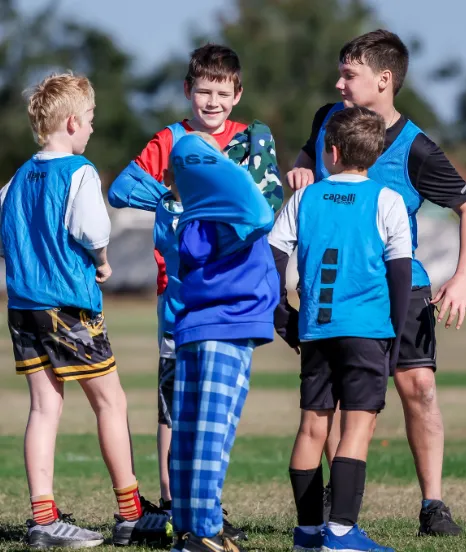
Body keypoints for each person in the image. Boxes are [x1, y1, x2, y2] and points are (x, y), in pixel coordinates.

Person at [285, 29, 466, 536]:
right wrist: (302, 169)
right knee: (329, 401)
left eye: (349, 74)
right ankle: (335, 507)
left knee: (417, 387)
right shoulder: (327, 119)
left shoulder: (416, 148)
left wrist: (462, 279)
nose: (339, 83)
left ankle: (433, 505)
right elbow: (307, 157)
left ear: (384, 79)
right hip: (332, 285)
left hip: (399, 286)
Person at [108, 43, 282, 541]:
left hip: (233, 289)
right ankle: (174, 505)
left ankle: (207, 508)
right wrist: (172, 198)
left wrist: (210, 205)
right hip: (179, 287)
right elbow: (122, 188)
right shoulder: (172, 139)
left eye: (222, 93)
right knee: (175, 397)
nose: (212, 101)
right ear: (188, 91)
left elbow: (263, 202)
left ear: (237, 94)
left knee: (215, 405)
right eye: (203, 91)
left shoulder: (253, 139)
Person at [0, 72, 164, 548]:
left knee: (43, 407)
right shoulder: (80, 171)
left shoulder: (16, 178)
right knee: (110, 401)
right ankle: (131, 514)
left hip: (23, 306)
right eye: (90, 119)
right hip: (69, 306)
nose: (92, 128)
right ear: (71, 122)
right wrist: (103, 262)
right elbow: (94, 231)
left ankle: (43, 518)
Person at [269, 106, 411, 552]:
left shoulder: (304, 198)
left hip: (317, 329)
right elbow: (400, 275)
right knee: (357, 427)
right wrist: (394, 335)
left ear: (329, 152)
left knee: (313, 424)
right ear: (376, 152)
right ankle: (344, 534)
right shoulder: (387, 200)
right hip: (367, 329)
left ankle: (308, 533)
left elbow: (272, 255)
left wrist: (281, 313)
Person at [165, 132, 279, 552]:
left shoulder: (190, 216)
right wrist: (223, 165)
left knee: (189, 435)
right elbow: (263, 215)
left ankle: (188, 527)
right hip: (228, 328)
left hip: (194, 329)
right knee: (213, 435)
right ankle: (206, 529)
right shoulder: (233, 213)